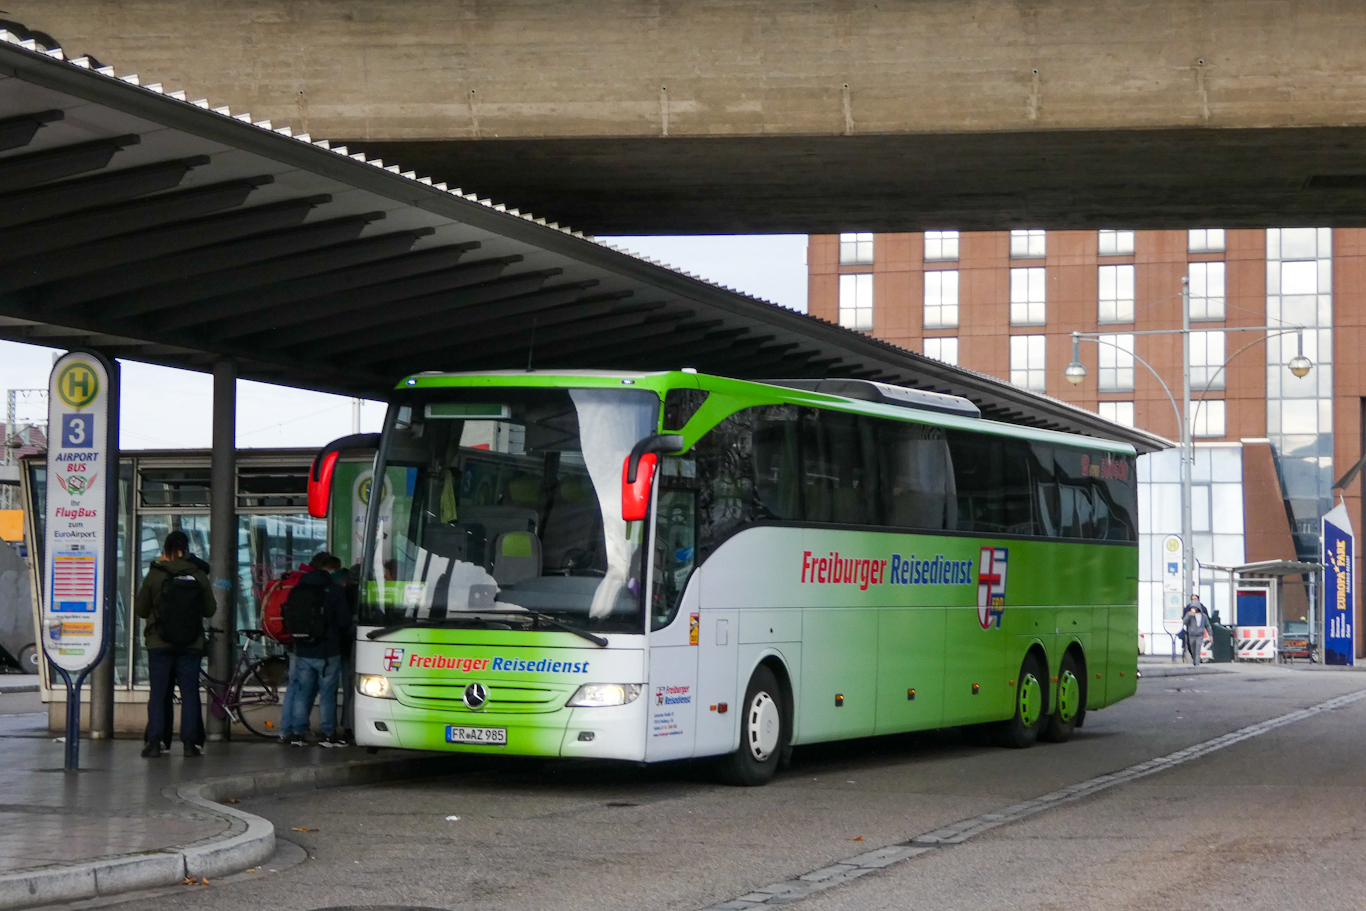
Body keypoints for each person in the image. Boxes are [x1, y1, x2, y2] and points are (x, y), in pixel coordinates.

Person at [134, 530, 216, 758]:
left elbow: (140, 610)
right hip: (191, 644)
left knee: (160, 693)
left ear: (166, 549)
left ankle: (155, 743)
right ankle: (190, 744)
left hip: (158, 643)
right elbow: (210, 609)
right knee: (189, 693)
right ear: (186, 548)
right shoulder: (198, 574)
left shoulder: (155, 574)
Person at [280, 552, 351, 747]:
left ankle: (297, 733)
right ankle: (328, 734)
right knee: (328, 694)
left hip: (303, 649)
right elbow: (344, 621)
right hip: (327, 651)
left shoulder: (298, 588)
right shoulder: (333, 590)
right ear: (331, 570)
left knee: (302, 692)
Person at [1183, 599, 1208, 666]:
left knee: (1197, 650)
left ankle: (1197, 664)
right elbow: (1184, 622)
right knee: (1193, 649)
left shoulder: (1203, 616)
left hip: (1199, 635)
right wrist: (1189, 616)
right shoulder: (1189, 614)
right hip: (1191, 635)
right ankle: (1195, 660)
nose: (1194, 608)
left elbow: (1208, 625)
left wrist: (1210, 635)